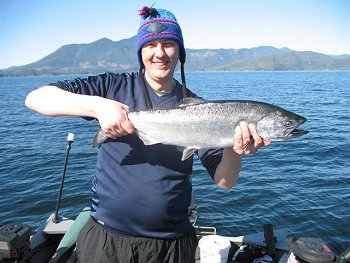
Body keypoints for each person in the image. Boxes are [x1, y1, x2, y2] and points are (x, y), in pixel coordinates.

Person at [25, 6, 270, 263]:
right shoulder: (112, 87)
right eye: (151, 45)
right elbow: (36, 98)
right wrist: (98, 106)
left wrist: (234, 144)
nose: (160, 53)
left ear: (180, 52)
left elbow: (225, 182)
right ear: (141, 52)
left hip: (171, 246)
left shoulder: (204, 111)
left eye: (168, 44)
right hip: (106, 240)